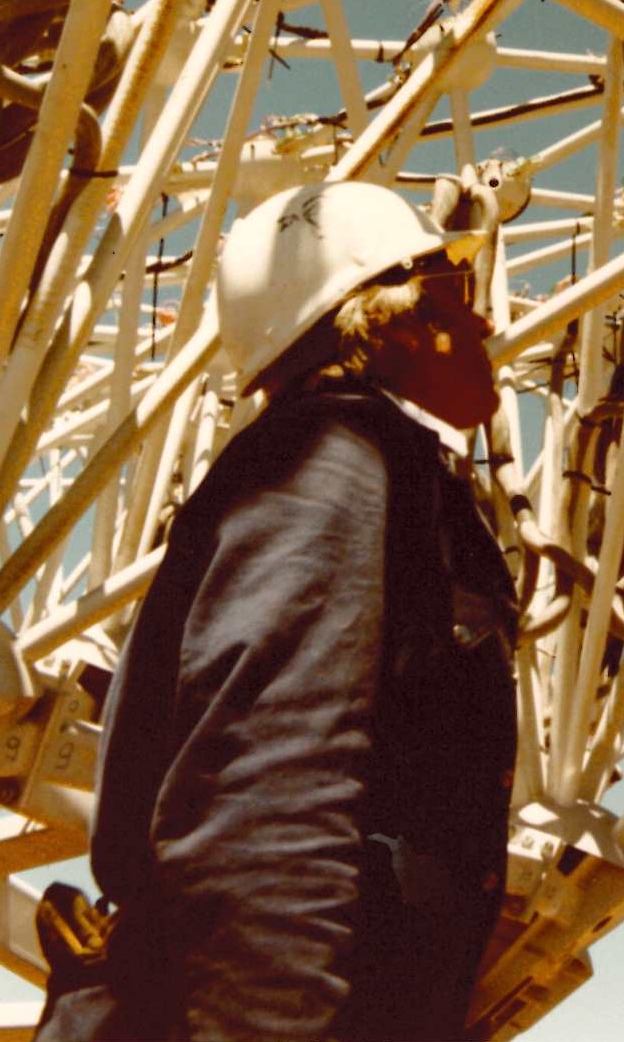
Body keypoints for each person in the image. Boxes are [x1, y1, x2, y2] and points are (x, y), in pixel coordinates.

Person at [36, 180, 518, 1042]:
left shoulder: (354, 471)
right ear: (390, 311)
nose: (484, 324)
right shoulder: (333, 466)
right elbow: (270, 800)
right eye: (458, 293)